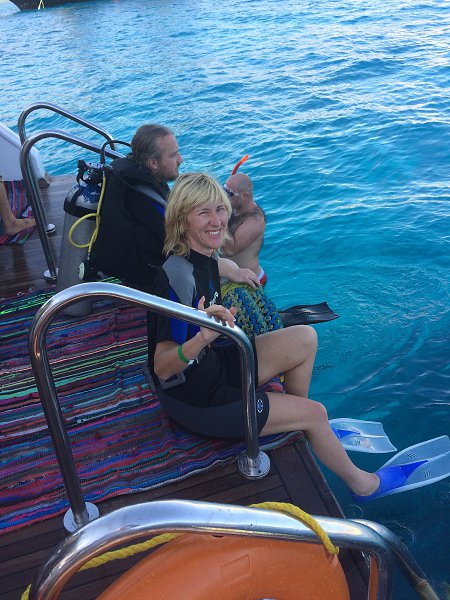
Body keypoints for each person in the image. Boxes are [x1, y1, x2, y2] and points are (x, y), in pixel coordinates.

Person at [147, 172, 380, 499]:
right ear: (182, 219)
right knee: (317, 414)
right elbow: (162, 368)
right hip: (197, 402)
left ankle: (293, 417)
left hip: (215, 367)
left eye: (220, 209)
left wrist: (237, 271)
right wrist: (202, 338)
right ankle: (364, 485)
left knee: (305, 338)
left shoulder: (202, 256)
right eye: (203, 212)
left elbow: (218, 265)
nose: (217, 221)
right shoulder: (176, 279)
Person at [92, 125, 259, 292]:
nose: (181, 160)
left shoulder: (134, 177)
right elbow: (189, 250)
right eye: (173, 155)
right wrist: (232, 271)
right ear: (153, 163)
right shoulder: (147, 200)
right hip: (147, 280)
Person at [221, 172, 267, 284]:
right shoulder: (234, 207)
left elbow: (230, 250)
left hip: (250, 279)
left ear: (244, 196)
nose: (225, 197)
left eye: (229, 194)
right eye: (224, 190)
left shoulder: (254, 220)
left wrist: (220, 219)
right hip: (231, 275)